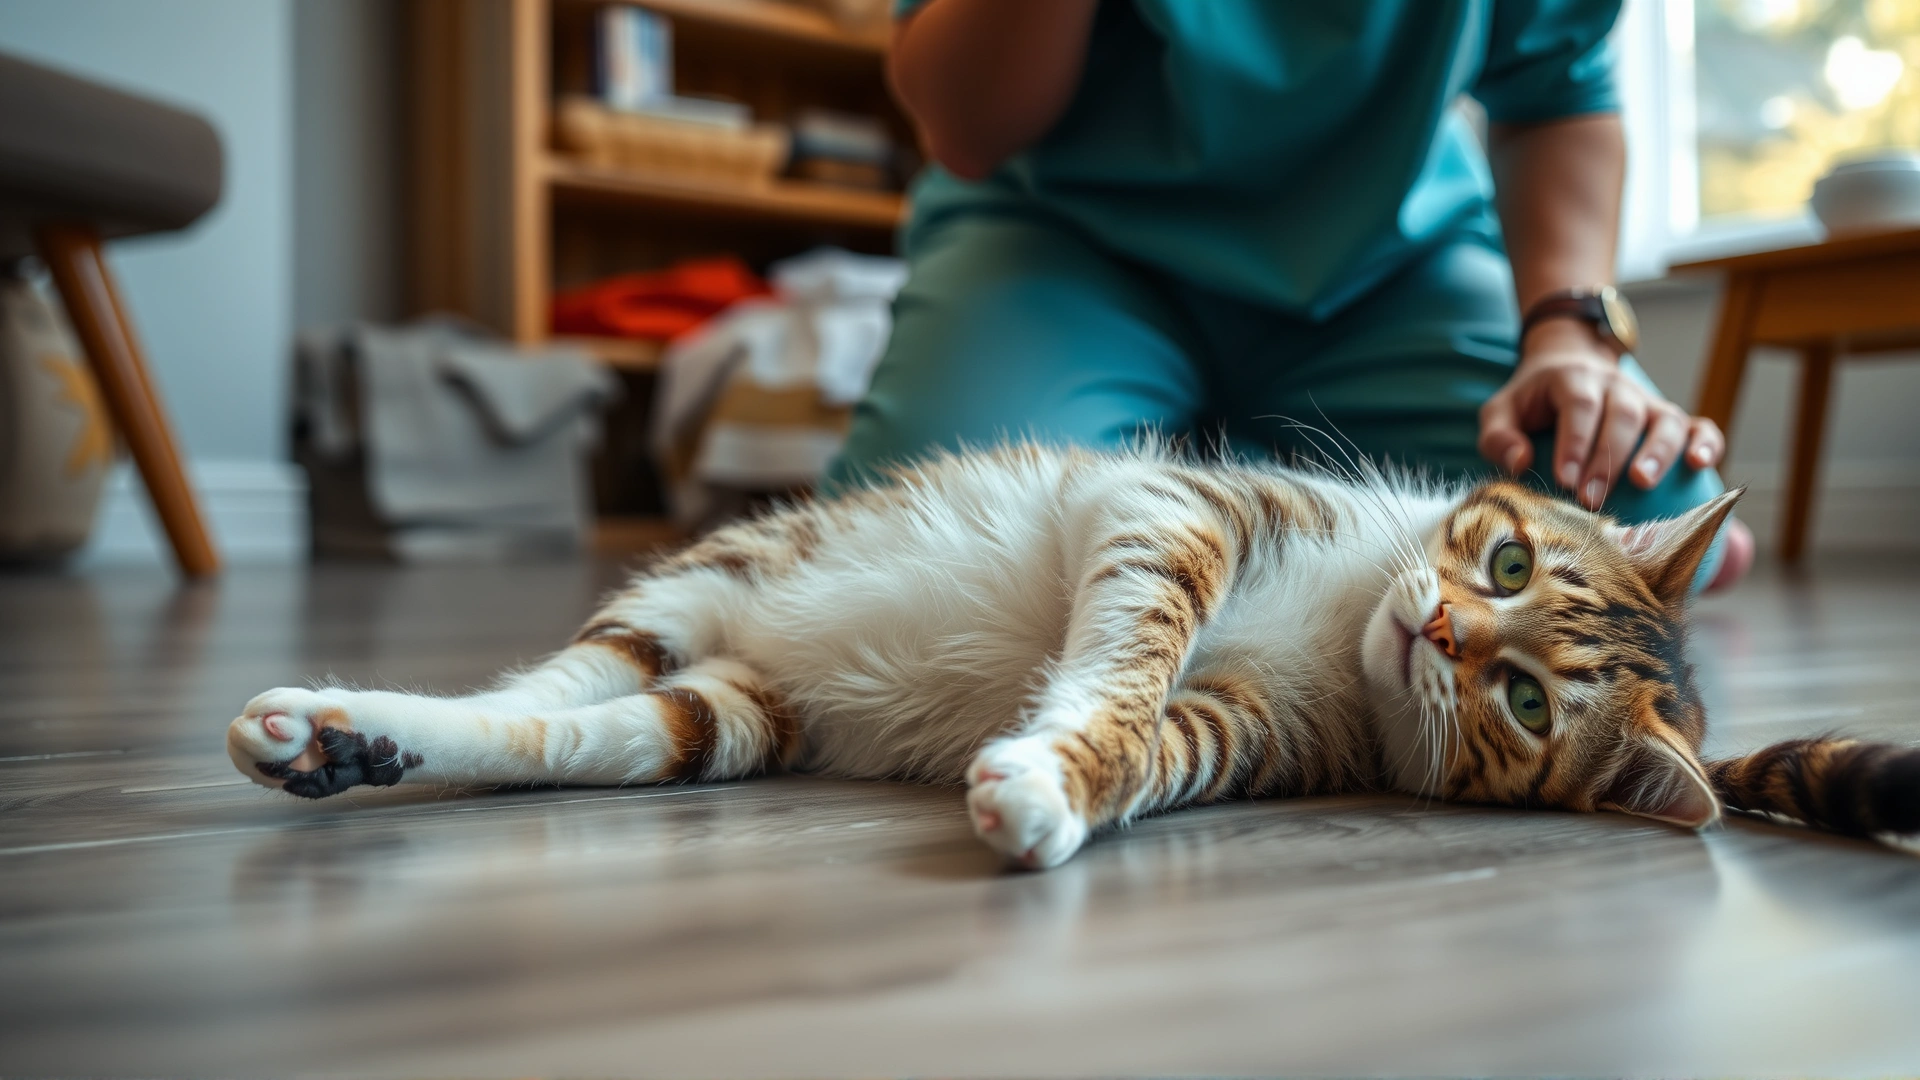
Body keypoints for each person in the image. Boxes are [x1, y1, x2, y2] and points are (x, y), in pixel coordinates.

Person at [825, 0, 1754, 591]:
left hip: (1386, 259)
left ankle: (1201, 466)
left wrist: (1569, 334)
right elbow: (968, 123)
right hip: (1064, 237)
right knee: (905, 560)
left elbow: (1557, 96)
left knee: (1648, 512)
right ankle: (1225, 464)